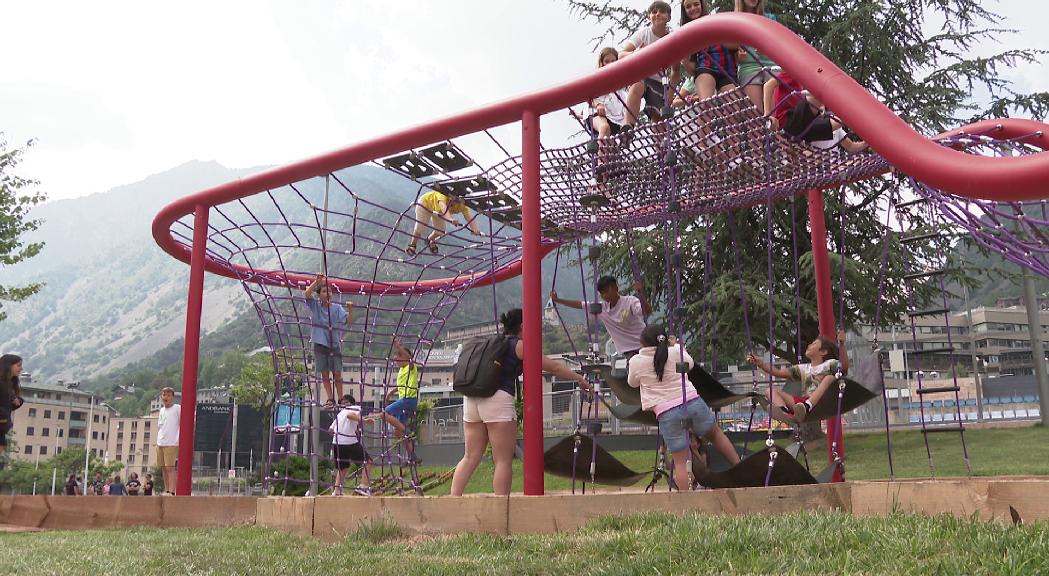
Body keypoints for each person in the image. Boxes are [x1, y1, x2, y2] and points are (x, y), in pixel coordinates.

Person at [450, 308, 591, 496]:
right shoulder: (519, 346)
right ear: (523, 326)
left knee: (470, 457)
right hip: (497, 399)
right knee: (502, 460)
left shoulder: (492, 342)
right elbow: (555, 367)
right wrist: (580, 379)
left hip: (471, 399)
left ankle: (452, 502)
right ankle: (502, 510)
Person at [627, 324, 740, 491]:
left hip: (667, 412)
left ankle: (687, 502)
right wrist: (677, 346)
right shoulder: (675, 352)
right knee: (715, 434)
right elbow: (690, 364)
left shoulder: (637, 361)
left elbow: (632, 382)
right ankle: (739, 468)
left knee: (680, 461)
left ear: (642, 343)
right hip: (692, 402)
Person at [747, 330, 849, 423]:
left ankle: (807, 406)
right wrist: (760, 363)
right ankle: (785, 413)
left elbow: (843, 367)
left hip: (821, 403)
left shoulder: (830, 364)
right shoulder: (803, 368)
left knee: (829, 378)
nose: (809, 345)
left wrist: (842, 344)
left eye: (814, 344)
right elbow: (778, 372)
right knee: (769, 391)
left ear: (823, 352)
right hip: (802, 404)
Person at [549, 276, 652, 357]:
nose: (604, 296)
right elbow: (580, 304)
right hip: (628, 351)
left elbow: (646, 311)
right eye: (602, 293)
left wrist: (640, 293)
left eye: (606, 291)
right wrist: (558, 300)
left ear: (616, 288)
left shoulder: (630, 301)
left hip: (645, 345)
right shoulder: (601, 308)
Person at [619, 1, 675, 125]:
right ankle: (628, 125)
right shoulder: (644, 34)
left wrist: (670, 95)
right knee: (637, 86)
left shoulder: (672, 39)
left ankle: (660, 143)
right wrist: (637, 53)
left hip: (659, 81)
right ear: (648, 17)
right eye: (654, 12)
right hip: (641, 75)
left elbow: (676, 71)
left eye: (662, 12)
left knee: (658, 116)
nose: (658, 14)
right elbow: (621, 55)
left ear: (669, 17)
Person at [304, 274, 354, 408]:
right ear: (319, 295)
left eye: (329, 291)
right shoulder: (316, 306)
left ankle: (341, 398)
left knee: (337, 372)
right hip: (320, 344)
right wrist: (316, 282)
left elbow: (348, 322)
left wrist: (350, 309)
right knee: (324, 373)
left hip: (334, 343)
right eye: (324, 291)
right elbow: (307, 293)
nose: (328, 293)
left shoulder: (337, 308)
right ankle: (330, 399)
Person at [680, 0, 737, 100]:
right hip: (706, 67)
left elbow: (735, 45)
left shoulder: (715, 22)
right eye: (688, 7)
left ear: (702, 5)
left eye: (696, 4)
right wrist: (684, 59)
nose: (693, 8)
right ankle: (705, 112)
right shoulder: (689, 33)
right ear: (684, 11)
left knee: (735, 106)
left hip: (726, 69)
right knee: (706, 102)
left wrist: (716, 35)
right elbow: (692, 70)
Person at [405, 190, 482, 256]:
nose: (454, 201)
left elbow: (469, 217)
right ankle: (413, 245)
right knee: (421, 226)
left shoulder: (462, 205)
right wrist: (450, 219)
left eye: (457, 199)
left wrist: (474, 229)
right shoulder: (443, 195)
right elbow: (443, 206)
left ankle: (429, 241)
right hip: (425, 204)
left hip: (438, 211)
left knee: (440, 231)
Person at [735, 0, 778, 112]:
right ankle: (757, 129)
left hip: (770, 65)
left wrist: (767, 49)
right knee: (755, 113)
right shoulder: (734, 20)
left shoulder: (769, 18)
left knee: (775, 112)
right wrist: (736, 55)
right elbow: (730, 49)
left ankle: (776, 128)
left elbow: (778, 44)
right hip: (748, 67)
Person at [327, 393, 372, 496]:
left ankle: (337, 490)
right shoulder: (355, 408)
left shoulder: (340, 414)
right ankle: (364, 487)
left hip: (337, 442)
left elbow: (330, 429)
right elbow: (350, 416)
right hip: (349, 442)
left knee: (342, 468)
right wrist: (364, 420)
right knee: (368, 461)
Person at [377, 339, 419, 439]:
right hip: (404, 401)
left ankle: (407, 431)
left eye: (397, 360)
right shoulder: (401, 370)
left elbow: (410, 359)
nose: (396, 362)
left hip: (408, 400)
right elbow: (401, 385)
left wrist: (399, 347)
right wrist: (391, 393)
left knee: (385, 413)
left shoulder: (411, 367)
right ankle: (411, 453)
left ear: (404, 358)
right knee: (398, 432)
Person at [157, 387, 181, 495]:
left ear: (172, 397)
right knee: (163, 467)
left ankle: (172, 491)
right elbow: (160, 426)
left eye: (167, 395)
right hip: (160, 442)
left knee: (170, 467)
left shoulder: (177, 408)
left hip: (172, 442)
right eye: (163, 395)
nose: (165, 397)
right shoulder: (161, 410)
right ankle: (166, 489)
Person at [0, 354, 25, 459]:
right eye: (18, 365)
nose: (21, 368)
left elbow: (8, 403)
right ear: (9, 366)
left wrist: (18, 400)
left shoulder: (10, 385)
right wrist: (3, 418)